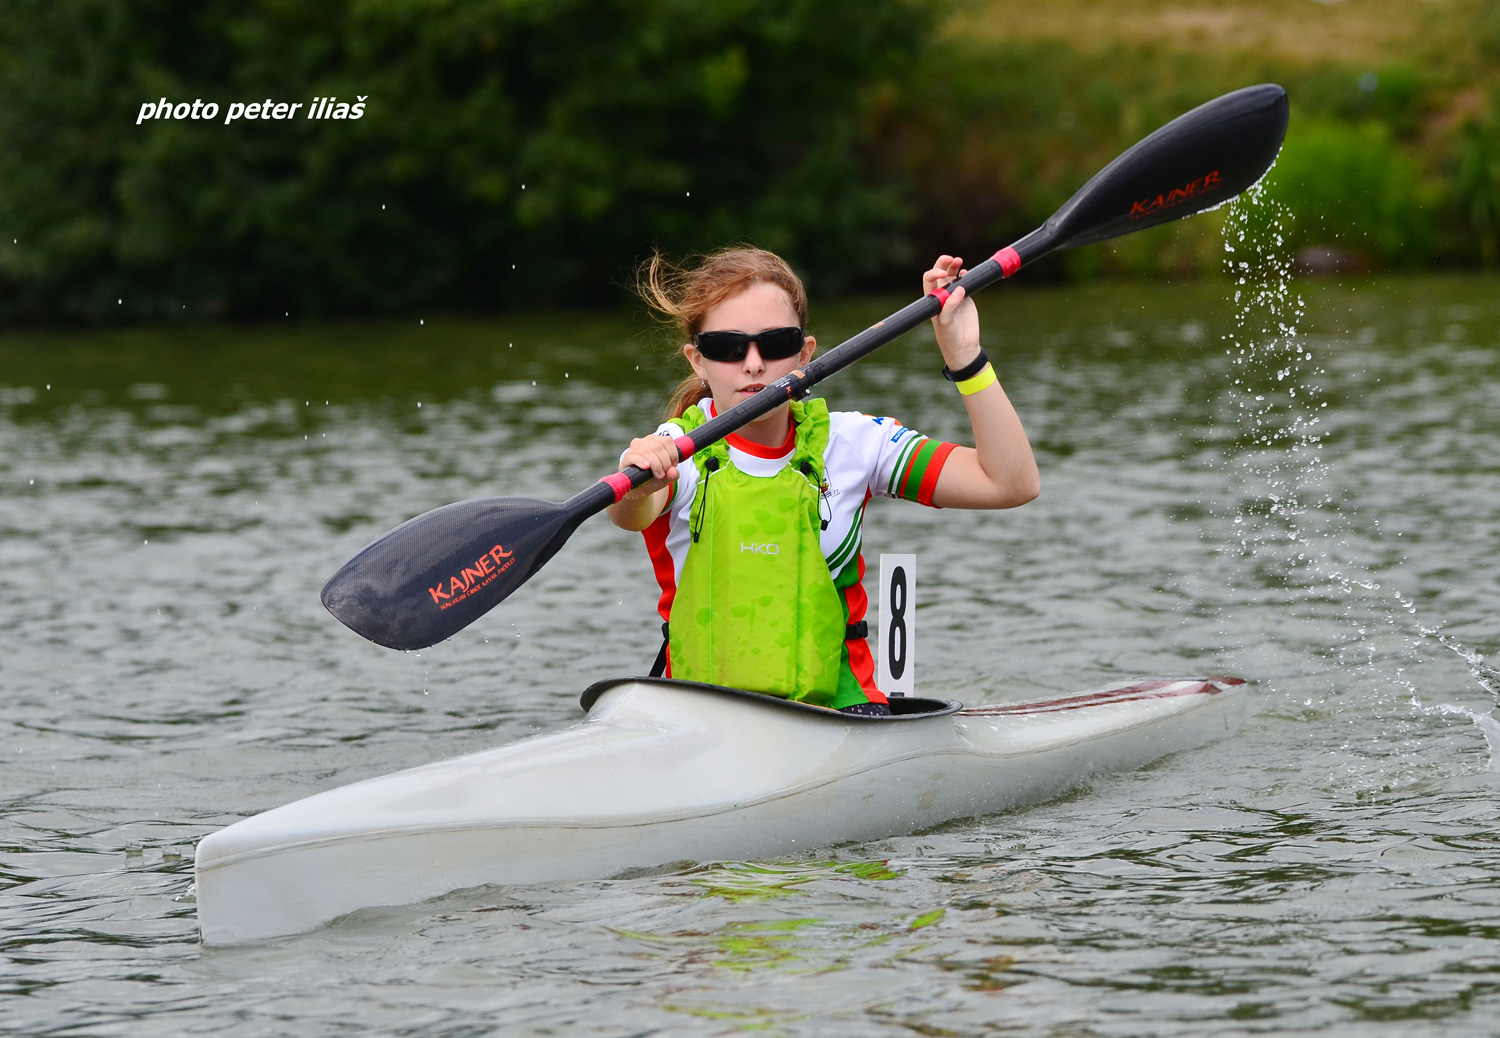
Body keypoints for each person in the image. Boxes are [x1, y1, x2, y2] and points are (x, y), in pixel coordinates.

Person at [607, 247, 1039, 715]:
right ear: (698, 360)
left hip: (838, 712)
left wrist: (965, 355)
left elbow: (1010, 483)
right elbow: (628, 514)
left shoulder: (856, 443)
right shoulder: (673, 449)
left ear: (804, 354)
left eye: (774, 344)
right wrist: (638, 484)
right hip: (701, 714)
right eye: (728, 347)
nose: (753, 364)